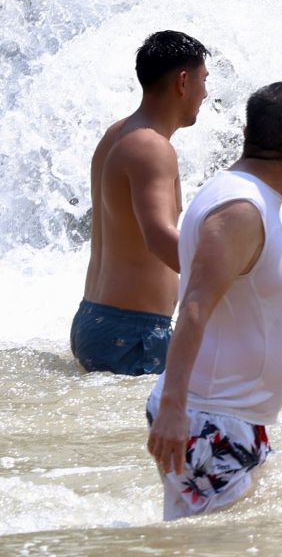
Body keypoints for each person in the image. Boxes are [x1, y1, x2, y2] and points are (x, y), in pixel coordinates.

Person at [146, 82, 282, 520]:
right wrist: (173, 409)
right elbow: (196, 307)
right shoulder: (240, 208)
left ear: (246, 132)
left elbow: (248, 307)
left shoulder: (248, 198)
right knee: (218, 545)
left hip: (226, 415)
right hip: (208, 416)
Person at [72, 31, 210, 375]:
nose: (205, 93)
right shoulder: (152, 147)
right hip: (134, 333)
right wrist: (229, 276)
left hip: (97, 319)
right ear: (183, 81)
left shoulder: (117, 134)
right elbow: (159, 237)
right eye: (203, 80)